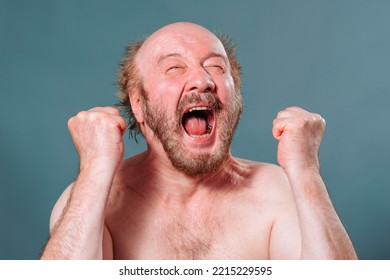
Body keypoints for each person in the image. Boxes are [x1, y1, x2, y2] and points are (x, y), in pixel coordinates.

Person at [41, 22, 357, 260]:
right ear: (138, 104)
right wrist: (95, 169)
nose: (202, 80)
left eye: (216, 67)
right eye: (174, 68)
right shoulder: (95, 200)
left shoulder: (279, 192)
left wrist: (306, 173)